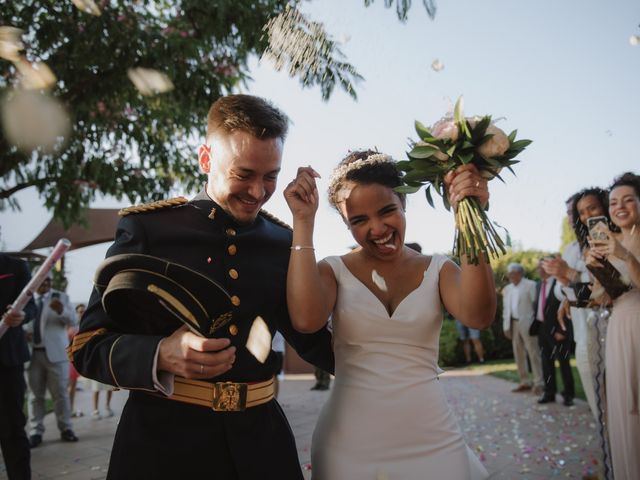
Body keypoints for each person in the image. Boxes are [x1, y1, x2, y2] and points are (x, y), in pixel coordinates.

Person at [70, 94, 334, 479]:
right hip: (163, 450)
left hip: (262, 449)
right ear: (206, 159)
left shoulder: (282, 242)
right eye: (243, 174)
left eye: (271, 176)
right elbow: (87, 346)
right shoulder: (150, 229)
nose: (258, 192)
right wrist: (160, 353)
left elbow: (311, 338)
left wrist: (393, 358)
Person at [283, 150, 492, 479]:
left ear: (404, 203)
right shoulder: (332, 271)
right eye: (359, 220)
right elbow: (306, 320)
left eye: (387, 211)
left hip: (433, 439)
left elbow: (479, 316)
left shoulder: (440, 270)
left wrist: (471, 217)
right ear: (345, 223)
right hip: (349, 445)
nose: (377, 228)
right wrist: (303, 222)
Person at [586, 172, 640, 479]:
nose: (620, 207)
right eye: (614, 202)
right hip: (620, 326)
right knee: (624, 411)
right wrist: (599, 270)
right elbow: (604, 298)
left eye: (628, 200)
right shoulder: (608, 241)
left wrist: (625, 256)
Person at [543, 188, 612, 418]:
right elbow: (562, 292)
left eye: (586, 210)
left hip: (613, 328)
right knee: (598, 405)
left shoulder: (608, 239)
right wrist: (563, 277)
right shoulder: (572, 249)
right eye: (573, 213)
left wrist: (571, 275)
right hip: (583, 332)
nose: (575, 218)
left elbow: (609, 287)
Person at [25, 273, 78, 448]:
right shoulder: (27, 297)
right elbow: (21, 320)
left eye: (48, 279)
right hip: (33, 354)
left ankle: (66, 428)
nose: (46, 282)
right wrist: (24, 332)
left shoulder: (61, 297)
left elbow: (73, 320)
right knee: (35, 396)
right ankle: (36, 431)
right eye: (42, 279)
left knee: (60, 394)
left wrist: (61, 310)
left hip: (56, 355)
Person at [0, 252, 36, 480]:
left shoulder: (16, 267)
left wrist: (21, 315)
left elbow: (31, 306)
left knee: (12, 429)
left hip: (7, 361)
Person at [532, 259, 574, 406]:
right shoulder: (538, 285)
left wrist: (563, 330)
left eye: (541, 266)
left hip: (558, 329)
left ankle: (568, 395)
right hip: (542, 329)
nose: (539, 269)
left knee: (563, 363)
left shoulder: (559, 282)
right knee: (546, 363)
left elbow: (568, 305)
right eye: (537, 267)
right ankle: (549, 393)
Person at [501, 263, 544, 395]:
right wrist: (506, 325)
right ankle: (524, 381)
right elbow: (506, 309)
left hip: (528, 323)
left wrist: (535, 323)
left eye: (512, 273)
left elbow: (536, 305)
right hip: (513, 324)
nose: (510, 276)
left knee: (533, 353)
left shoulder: (530, 285)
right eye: (509, 274)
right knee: (518, 353)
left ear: (520, 273)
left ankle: (539, 383)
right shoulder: (507, 289)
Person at [68, 303, 85, 418]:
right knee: (69, 386)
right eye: (80, 312)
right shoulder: (71, 326)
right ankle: (68, 410)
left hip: (78, 359)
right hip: (69, 359)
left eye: (84, 311)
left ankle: (70, 409)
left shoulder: (86, 325)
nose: (82, 313)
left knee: (73, 386)